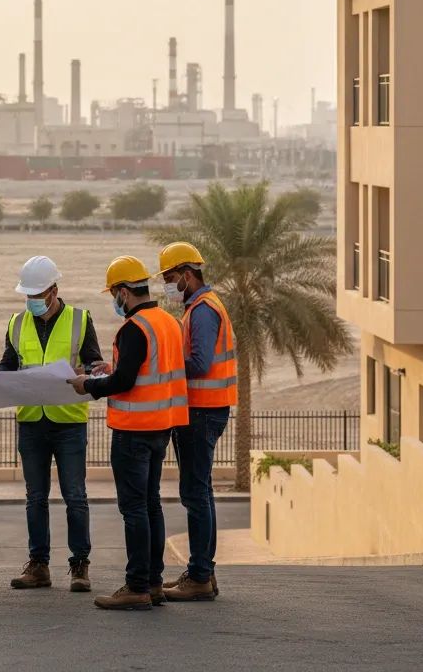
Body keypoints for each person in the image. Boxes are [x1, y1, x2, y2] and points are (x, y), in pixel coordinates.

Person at [68, 256, 188, 611]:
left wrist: (88, 384)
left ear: (123, 292)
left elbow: (126, 381)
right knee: (151, 505)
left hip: (133, 431)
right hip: (161, 427)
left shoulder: (134, 327)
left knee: (134, 509)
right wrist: (112, 367)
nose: (115, 300)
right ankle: (153, 582)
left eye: (114, 294)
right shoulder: (167, 322)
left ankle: (136, 585)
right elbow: (147, 369)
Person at [0, 254, 103, 592]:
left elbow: (95, 364)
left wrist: (87, 373)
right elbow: (7, 365)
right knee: (35, 497)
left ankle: (79, 565)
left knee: (75, 496)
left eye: (37, 295)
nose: (31, 302)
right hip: (31, 421)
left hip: (69, 421)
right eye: (27, 295)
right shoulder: (16, 322)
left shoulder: (80, 320)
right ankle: (38, 565)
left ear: (54, 290)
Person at [158, 241, 238, 602]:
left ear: (187, 275)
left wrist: (164, 366)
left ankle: (201, 575)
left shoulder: (203, 311)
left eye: (171, 278)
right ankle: (200, 571)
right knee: (201, 492)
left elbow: (200, 363)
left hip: (202, 411)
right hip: (206, 409)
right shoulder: (200, 306)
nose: (168, 285)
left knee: (195, 494)